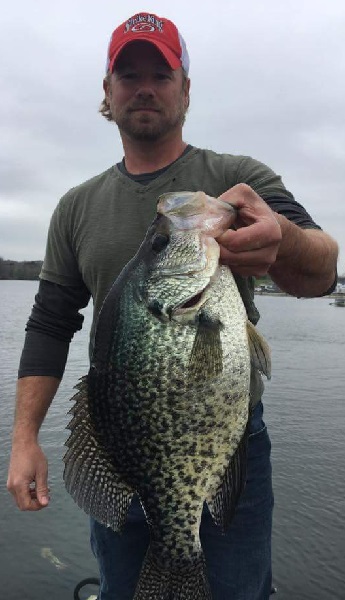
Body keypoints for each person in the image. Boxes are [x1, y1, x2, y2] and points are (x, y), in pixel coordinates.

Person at [7, 11, 338, 600]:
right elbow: (50, 326)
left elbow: (322, 272)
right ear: (107, 94)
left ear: (185, 90)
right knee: (124, 590)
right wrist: (25, 438)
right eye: (128, 74)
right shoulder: (75, 207)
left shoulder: (239, 177)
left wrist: (283, 239)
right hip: (119, 439)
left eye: (161, 75)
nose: (144, 87)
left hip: (228, 438)